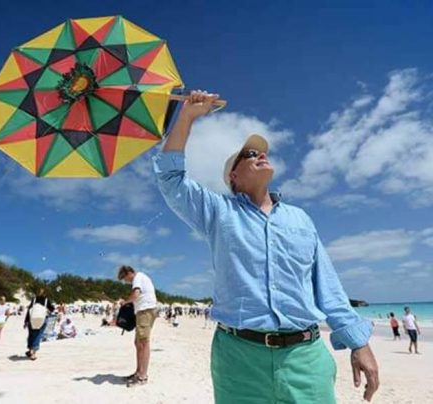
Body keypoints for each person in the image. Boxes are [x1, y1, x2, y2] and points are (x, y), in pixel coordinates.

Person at [153, 91, 379, 403]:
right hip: (238, 360)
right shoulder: (219, 212)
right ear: (234, 177)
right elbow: (170, 180)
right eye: (248, 155)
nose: (260, 155)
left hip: (305, 358)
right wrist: (187, 117)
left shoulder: (300, 219)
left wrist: (359, 342)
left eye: (261, 153)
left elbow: (327, 286)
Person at [118, 265, 157, 387]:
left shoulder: (137, 277)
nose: (126, 281)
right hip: (143, 311)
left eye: (125, 278)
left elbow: (136, 294)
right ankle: (138, 372)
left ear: (129, 273)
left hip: (145, 311)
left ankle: (142, 376)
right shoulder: (141, 277)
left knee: (144, 343)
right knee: (138, 343)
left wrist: (125, 302)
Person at [24, 288, 55, 360]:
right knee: (38, 335)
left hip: (31, 319)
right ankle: (33, 353)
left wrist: (26, 321)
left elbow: (29, 310)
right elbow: (52, 309)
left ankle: (30, 349)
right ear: (45, 294)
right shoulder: (46, 300)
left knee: (31, 334)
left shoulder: (34, 300)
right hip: (42, 319)